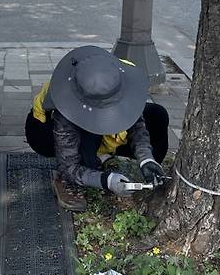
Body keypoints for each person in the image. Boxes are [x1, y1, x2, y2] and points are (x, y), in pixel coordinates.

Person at [25, 46, 170, 212]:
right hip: (46, 131)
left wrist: (146, 158)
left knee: (157, 115)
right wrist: (105, 180)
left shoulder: (120, 74)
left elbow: (136, 124)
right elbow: (69, 166)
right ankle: (67, 180)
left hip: (93, 122)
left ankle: (146, 172)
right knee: (85, 144)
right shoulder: (65, 106)